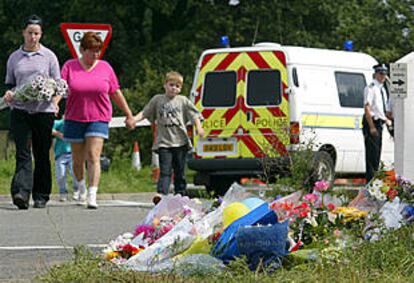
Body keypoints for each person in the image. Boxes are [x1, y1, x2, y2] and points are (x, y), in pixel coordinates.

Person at [62, 32, 135, 209]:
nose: (95, 55)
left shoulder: (105, 68)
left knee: (93, 156)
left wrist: (128, 114)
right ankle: (81, 188)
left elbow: (115, 92)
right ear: (82, 50)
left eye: (98, 51)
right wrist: (54, 104)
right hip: (74, 117)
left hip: (99, 117)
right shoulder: (70, 66)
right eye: (92, 51)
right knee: (77, 159)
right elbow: (60, 88)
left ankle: (93, 193)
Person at [2, 15, 61, 209]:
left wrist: (54, 101)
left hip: (43, 112)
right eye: (29, 33)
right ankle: (21, 192)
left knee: (42, 152)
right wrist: (10, 94)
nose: (33, 37)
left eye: (36, 33)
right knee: (23, 152)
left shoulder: (49, 56)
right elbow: (10, 83)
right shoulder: (14, 57)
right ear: (23, 33)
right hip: (20, 111)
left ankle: (41, 194)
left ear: (41, 34)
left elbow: (58, 84)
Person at [130, 71, 204, 196]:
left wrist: (199, 127)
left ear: (180, 89)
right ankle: (161, 194)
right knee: (165, 171)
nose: (174, 88)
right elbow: (145, 112)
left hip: (180, 142)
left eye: (177, 86)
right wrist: (134, 119)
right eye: (171, 85)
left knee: (180, 171)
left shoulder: (183, 101)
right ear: (165, 85)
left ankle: (180, 194)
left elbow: (194, 115)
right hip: (164, 143)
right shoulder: (157, 100)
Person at [362, 64, 391, 183]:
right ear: (375, 74)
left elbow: (381, 109)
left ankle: (373, 182)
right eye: (381, 73)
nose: (383, 76)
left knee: (376, 155)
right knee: (372, 156)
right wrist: (372, 127)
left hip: (379, 123)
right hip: (372, 122)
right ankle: (370, 182)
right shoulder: (371, 87)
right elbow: (367, 107)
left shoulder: (381, 88)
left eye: (384, 73)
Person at [52, 116, 78, 202]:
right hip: (60, 154)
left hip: (73, 153)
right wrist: (58, 134)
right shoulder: (60, 123)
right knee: (61, 175)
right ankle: (63, 192)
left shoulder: (75, 123)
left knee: (75, 173)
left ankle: (76, 190)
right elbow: (49, 127)